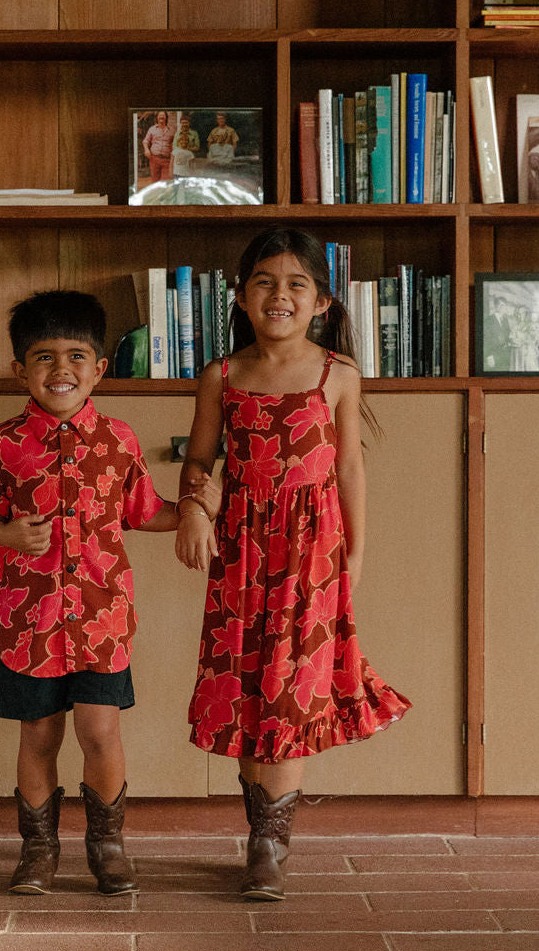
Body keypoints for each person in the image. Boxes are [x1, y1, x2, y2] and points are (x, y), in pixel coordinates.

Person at [175, 227, 411, 901]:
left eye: (296, 284)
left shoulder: (338, 374)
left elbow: (351, 469)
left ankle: (270, 845)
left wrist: (355, 554)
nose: (280, 295)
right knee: (251, 688)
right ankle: (259, 833)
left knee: (291, 690)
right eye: (265, 283)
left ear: (323, 303)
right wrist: (196, 508)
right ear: (242, 298)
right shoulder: (221, 377)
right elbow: (199, 461)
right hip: (241, 552)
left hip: (312, 554)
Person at [0, 289, 219, 897]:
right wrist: (4, 532)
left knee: (100, 731)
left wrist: (193, 510)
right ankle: (38, 849)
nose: (62, 370)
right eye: (44, 357)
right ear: (19, 370)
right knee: (39, 735)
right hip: (28, 623)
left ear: (100, 368)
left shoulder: (120, 440)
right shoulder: (0, 444)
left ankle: (108, 845)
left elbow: (144, 511)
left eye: (77, 356)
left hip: (103, 621)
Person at [142, 110, 174, 183]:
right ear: (157, 118)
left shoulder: (171, 130)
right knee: (155, 181)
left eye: (163, 115)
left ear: (166, 118)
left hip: (167, 160)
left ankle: (164, 194)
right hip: (154, 159)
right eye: (160, 115)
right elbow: (145, 141)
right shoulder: (152, 129)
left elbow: (174, 143)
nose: (162, 117)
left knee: (165, 182)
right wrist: (147, 150)